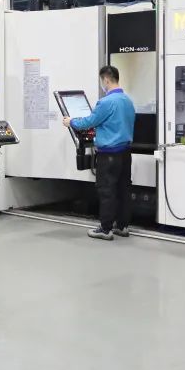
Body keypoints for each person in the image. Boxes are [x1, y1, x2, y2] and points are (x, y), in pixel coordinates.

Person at [62, 65, 136, 240]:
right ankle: (122, 226)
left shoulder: (105, 102)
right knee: (123, 189)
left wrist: (71, 121)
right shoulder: (128, 100)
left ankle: (105, 229)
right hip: (125, 153)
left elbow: (88, 122)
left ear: (106, 80)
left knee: (107, 191)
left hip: (109, 155)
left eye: (102, 81)